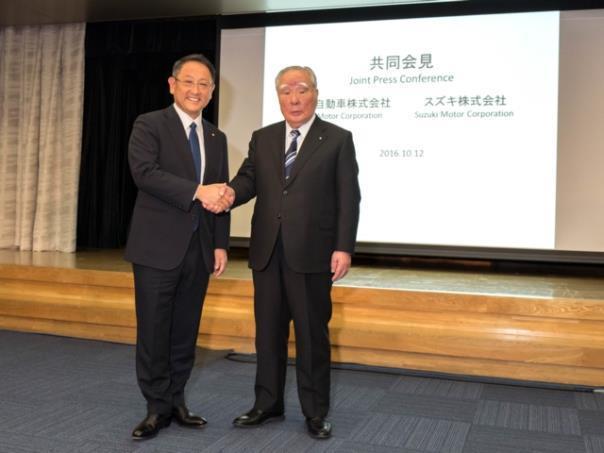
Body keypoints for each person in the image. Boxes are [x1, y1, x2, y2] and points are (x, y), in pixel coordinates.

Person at [226, 65, 361, 439]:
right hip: (267, 251)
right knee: (267, 333)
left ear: (315, 93)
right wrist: (228, 194)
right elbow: (248, 179)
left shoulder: (336, 139)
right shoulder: (264, 137)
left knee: (311, 335)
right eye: (286, 90)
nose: (294, 97)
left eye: (302, 89)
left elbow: (349, 199)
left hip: (313, 253)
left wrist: (343, 247)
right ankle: (266, 404)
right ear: (278, 96)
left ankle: (315, 411)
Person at [124, 53, 233, 440]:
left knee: (186, 330)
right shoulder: (150, 124)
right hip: (156, 248)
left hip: (199, 249)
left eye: (204, 84)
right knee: (154, 330)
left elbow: (220, 191)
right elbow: (145, 173)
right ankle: (155, 407)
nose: (196, 90)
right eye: (188, 81)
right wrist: (197, 191)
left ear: (212, 91)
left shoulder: (217, 137)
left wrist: (221, 244)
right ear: (172, 84)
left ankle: (177, 400)